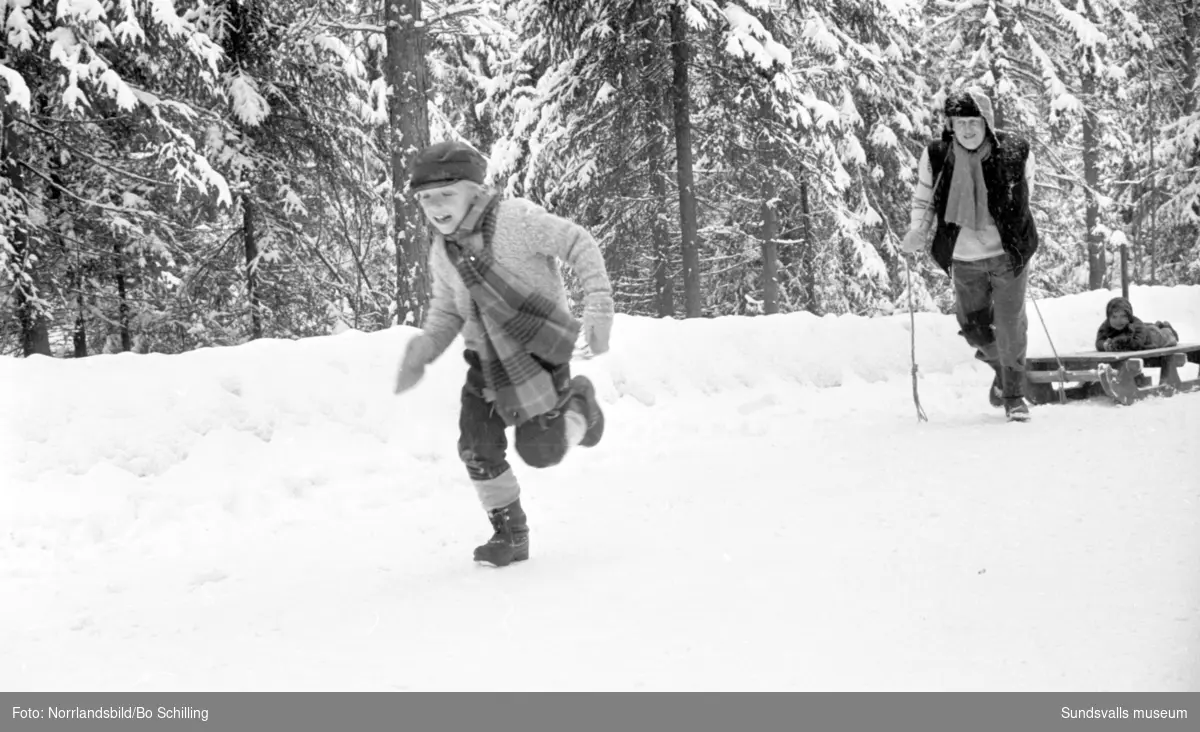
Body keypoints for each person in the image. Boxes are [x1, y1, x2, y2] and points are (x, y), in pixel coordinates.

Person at [393, 140, 615, 567]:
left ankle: (581, 408)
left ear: (474, 190)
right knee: (476, 447)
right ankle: (510, 534)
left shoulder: (516, 220)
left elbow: (578, 242)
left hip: (538, 354)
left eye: (445, 193)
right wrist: (424, 349)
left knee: (541, 451)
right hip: (485, 363)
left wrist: (599, 303)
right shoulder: (444, 250)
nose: (434, 206)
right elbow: (446, 310)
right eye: (424, 199)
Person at [900, 87, 1039, 422]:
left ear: (987, 122)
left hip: (1008, 255)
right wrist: (918, 230)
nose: (967, 129)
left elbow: (1025, 195)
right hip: (963, 257)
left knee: (1009, 325)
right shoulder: (937, 155)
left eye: (974, 121)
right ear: (951, 124)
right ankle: (1005, 371)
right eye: (960, 122)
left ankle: (1015, 396)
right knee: (974, 329)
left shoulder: (1015, 151)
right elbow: (924, 200)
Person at [1095, 296, 1179, 352]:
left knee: (1168, 337)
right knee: (1149, 326)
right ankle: (1158, 324)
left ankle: (1167, 328)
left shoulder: (1136, 324)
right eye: (1114, 317)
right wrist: (1104, 345)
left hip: (1152, 337)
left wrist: (1119, 343)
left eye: (1123, 316)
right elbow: (1099, 341)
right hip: (1145, 329)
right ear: (1108, 317)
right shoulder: (1106, 326)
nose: (1118, 321)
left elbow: (1136, 344)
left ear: (1129, 317)